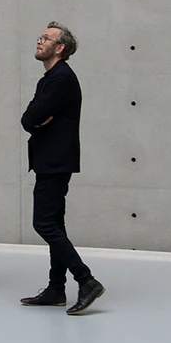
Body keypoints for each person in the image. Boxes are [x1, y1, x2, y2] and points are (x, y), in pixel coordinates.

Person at [20, 23, 105, 315]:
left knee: (43, 224)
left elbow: (30, 117)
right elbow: (31, 118)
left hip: (55, 162)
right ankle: (56, 288)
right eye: (40, 36)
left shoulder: (61, 79)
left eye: (46, 38)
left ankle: (86, 280)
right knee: (54, 223)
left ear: (60, 48)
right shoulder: (51, 78)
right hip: (51, 160)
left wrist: (36, 119)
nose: (39, 40)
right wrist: (36, 119)